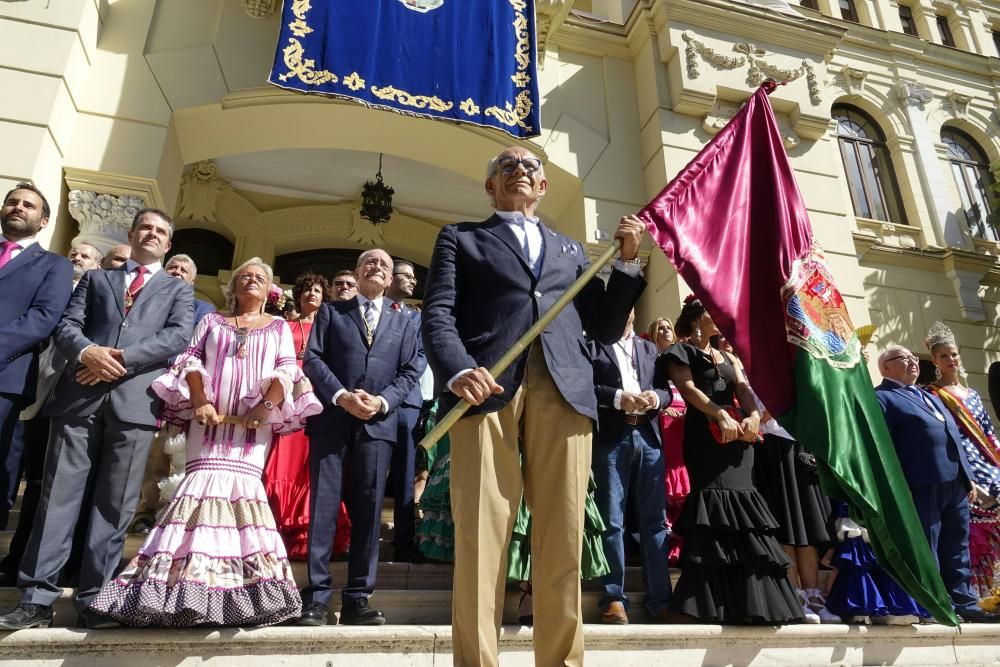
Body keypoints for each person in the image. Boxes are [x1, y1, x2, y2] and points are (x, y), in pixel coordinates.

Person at [422, 145, 645, 667]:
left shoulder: (569, 251)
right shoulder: (461, 238)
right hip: (486, 387)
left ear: (543, 187)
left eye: (530, 168)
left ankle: (562, 661)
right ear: (490, 186)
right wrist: (457, 370)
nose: (519, 171)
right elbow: (437, 315)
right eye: (507, 166)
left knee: (562, 537)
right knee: (481, 538)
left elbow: (605, 327)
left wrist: (630, 262)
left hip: (565, 389)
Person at [88, 257, 320, 626]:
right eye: (245, 276)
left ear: (269, 290)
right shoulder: (211, 321)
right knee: (197, 494)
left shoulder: (277, 326)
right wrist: (200, 401)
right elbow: (189, 360)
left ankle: (244, 597)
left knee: (243, 495)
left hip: (251, 432)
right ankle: (183, 591)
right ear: (233, 286)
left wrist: (266, 406)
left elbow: (288, 369)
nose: (251, 281)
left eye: (259, 277)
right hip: (207, 425)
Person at [0, 208, 194, 630]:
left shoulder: (177, 291)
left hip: (135, 406)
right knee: (56, 499)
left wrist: (117, 360)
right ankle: (36, 598)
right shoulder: (97, 278)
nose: (152, 234)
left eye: (161, 231)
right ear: (132, 232)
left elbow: (177, 336)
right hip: (78, 401)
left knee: (115, 505)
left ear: (168, 243)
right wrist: (88, 352)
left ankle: (95, 597)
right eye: (146, 227)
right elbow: (67, 325)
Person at [658, 297, 802, 623]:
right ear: (696, 318)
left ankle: (756, 604)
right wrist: (719, 413)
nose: (722, 315)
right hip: (706, 438)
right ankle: (707, 605)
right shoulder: (679, 352)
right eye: (714, 309)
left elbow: (743, 388)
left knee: (747, 513)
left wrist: (753, 417)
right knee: (714, 514)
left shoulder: (728, 355)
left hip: (739, 441)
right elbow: (689, 389)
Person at [299, 248, 421, 626]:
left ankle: (357, 598)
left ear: (389, 278)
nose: (377, 267)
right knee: (323, 509)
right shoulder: (332, 312)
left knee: (369, 511)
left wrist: (383, 402)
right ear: (357, 271)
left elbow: (412, 368)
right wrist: (341, 396)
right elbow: (313, 359)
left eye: (384, 264)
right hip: (333, 421)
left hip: (377, 426)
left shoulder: (407, 320)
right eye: (370, 262)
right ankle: (316, 598)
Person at [875, 344, 1000, 623]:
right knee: (927, 545)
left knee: (956, 547)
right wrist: (897, 483)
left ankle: (965, 604)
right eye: (902, 359)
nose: (912, 362)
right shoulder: (882, 398)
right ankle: (932, 604)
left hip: (955, 483)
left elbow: (953, 434)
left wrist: (967, 478)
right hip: (920, 483)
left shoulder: (927, 394)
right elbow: (884, 446)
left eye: (912, 358)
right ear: (885, 368)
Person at [0, 241, 97, 584]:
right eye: (75, 253)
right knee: (13, 477)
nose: (77, 258)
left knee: (43, 487)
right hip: (31, 391)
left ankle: (31, 563)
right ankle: (13, 561)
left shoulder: (92, 295)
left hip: (66, 400)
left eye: (86, 256)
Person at [0, 184, 74, 533]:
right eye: (12, 202)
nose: (18, 208)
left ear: (43, 221)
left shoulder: (53, 266)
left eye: (28, 205)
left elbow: (43, 319)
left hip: (6, 379)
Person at [591, 309, 671, 624]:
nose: (624, 311)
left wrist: (656, 398)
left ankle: (661, 601)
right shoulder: (594, 346)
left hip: (648, 437)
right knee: (612, 519)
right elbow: (586, 386)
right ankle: (613, 599)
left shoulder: (651, 349)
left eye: (629, 306)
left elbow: (665, 389)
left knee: (655, 522)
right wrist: (617, 398)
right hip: (613, 438)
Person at [262, 273, 350, 560]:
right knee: (281, 463)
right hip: (288, 402)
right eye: (306, 290)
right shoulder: (284, 326)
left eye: (317, 290)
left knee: (310, 465)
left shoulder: (331, 327)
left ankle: (314, 531)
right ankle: (276, 530)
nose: (312, 293)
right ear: (298, 295)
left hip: (318, 401)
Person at [131, 253, 217, 534]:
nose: (178, 271)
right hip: (149, 384)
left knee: (180, 452)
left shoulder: (203, 309)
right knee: (154, 454)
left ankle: (175, 515)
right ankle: (146, 510)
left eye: (184, 269)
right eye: (173, 267)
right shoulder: (146, 301)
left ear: (193, 280)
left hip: (184, 389)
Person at [923, 322, 1000, 611]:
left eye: (954, 354)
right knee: (968, 535)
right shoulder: (931, 395)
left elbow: (988, 432)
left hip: (988, 462)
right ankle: (976, 597)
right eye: (944, 356)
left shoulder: (974, 394)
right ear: (935, 361)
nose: (951, 360)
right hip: (960, 467)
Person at [384, 259, 427, 562]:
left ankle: (404, 541)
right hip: (371, 402)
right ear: (390, 278)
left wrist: (394, 390)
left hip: (407, 403)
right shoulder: (371, 312)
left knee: (405, 477)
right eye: (407, 276)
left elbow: (419, 358)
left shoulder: (416, 318)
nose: (413, 281)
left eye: (414, 277)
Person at [647, 316, 688, 565]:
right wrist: (662, 411)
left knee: (686, 491)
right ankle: (668, 546)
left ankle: (684, 545)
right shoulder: (652, 364)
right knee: (667, 492)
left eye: (668, 327)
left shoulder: (684, 360)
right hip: (664, 431)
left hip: (684, 431)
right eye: (659, 328)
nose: (665, 331)